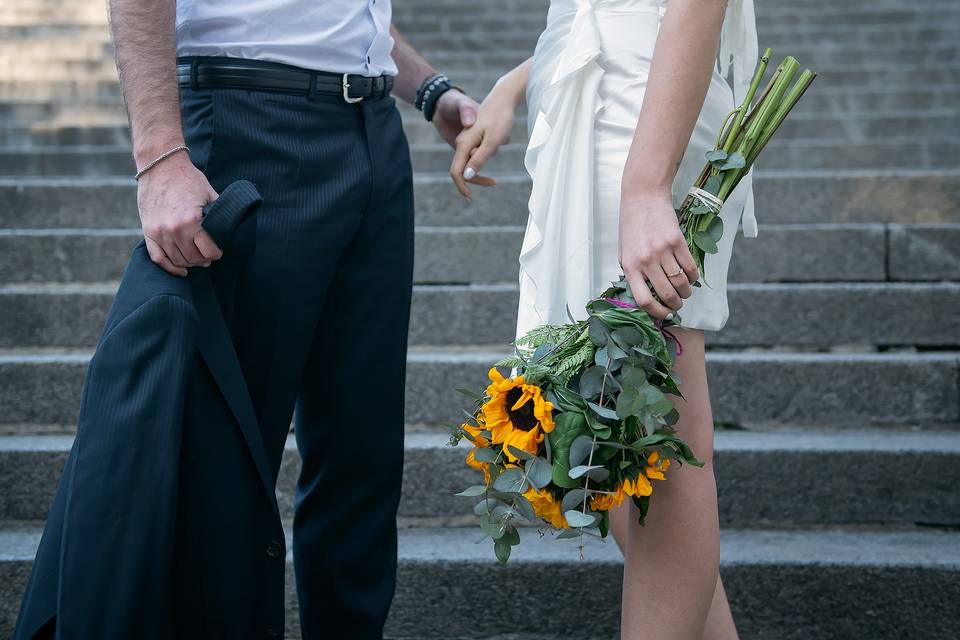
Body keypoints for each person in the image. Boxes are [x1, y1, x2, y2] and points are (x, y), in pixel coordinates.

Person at [14, 0, 478, 638]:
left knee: (361, 452)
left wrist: (429, 90)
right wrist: (158, 158)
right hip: (247, 122)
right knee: (224, 457)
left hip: (372, 134)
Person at [449, 0, 758, 637]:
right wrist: (516, 83)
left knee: (657, 449)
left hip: (635, 116)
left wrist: (645, 185)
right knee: (619, 439)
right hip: (586, 100)